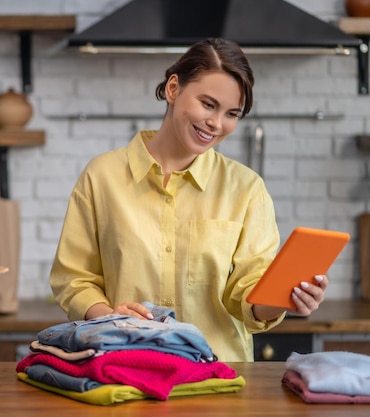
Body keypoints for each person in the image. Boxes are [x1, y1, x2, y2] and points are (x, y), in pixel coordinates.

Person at [49, 38, 328, 362]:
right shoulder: (102, 176)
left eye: (231, 113)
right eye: (208, 104)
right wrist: (109, 316)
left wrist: (286, 298)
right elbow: (73, 278)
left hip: (219, 379)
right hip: (125, 368)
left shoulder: (246, 189)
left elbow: (248, 296)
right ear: (172, 89)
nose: (216, 123)